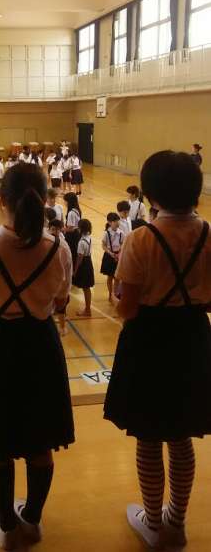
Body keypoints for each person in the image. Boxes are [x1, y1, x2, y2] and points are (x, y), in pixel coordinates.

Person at [0, 163, 74, 550]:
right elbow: (61, 301)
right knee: (40, 440)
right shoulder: (59, 248)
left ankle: (8, 525)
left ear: (1, 199)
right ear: (44, 199)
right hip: (40, 345)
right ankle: (33, 519)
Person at [104, 151, 211, 549]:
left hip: (148, 340)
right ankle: (176, 523)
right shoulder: (209, 233)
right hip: (192, 337)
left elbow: (127, 307)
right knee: (181, 437)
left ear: (150, 193)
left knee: (148, 437)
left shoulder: (141, 238)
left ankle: (153, 521)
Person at [100, 212, 124, 303]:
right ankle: (110, 294)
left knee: (117, 277)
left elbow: (122, 244)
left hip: (118, 256)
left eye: (118, 221)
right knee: (110, 277)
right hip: (109, 256)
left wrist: (119, 253)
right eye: (115, 221)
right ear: (109, 222)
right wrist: (110, 253)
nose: (117, 223)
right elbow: (103, 245)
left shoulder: (121, 233)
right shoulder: (106, 233)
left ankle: (115, 294)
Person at [73, 218, 95, 317]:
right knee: (87, 288)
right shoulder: (89, 237)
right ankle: (87, 309)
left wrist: (75, 270)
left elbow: (80, 258)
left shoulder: (81, 242)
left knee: (85, 288)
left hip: (84, 265)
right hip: (89, 262)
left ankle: (87, 310)